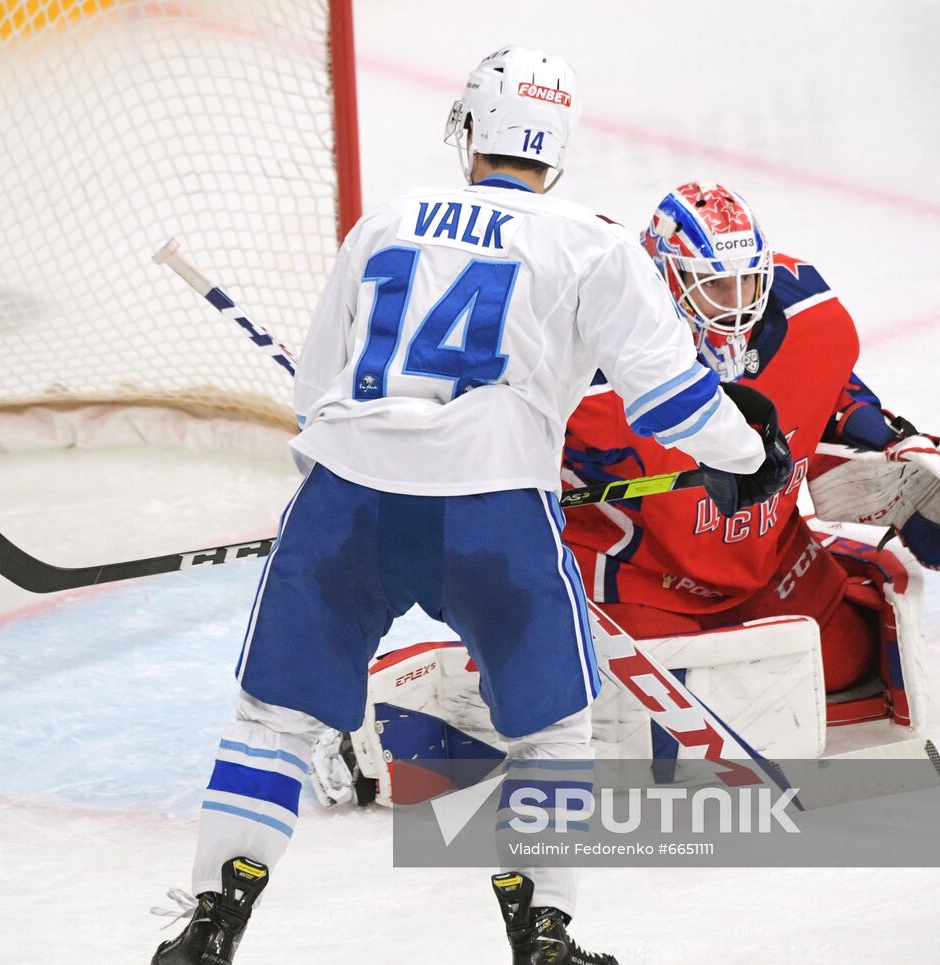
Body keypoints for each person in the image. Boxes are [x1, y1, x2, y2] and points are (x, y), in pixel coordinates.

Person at [151, 52, 790, 965]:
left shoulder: (385, 221)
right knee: (551, 727)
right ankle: (544, 938)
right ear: (556, 148)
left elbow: (315, 397)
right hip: (493, 513)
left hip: (345, 504)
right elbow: (673, 401)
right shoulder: (589, 241)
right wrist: (749, 454)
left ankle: (210, 927)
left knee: (273, 723)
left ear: (471, 132)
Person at [315, 182, 940, 809]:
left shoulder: (812, 315)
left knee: (853, 662)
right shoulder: (590, 360)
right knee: (625, 739)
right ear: (667, 284)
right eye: (714, 288)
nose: (737, 308)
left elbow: (832, 392)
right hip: (638, 578)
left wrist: (893, 442)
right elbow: (482, 437)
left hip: (765, 558)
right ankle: (398, 698)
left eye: (747, 286)